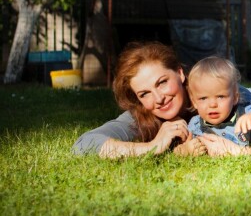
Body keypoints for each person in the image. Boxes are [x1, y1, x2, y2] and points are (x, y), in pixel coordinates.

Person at [72, 41, 200, 158]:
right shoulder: (140, 117)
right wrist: (153, 146)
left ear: (180, 73)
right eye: (144, 94)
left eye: (162, 83)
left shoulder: (209, 93)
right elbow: (84, 144)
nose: (159, 98)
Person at [179, 56, 251, 156]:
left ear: (235, 97)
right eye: (203, 98)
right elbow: (177, 149)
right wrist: (186, 149)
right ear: (194, 102)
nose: (212, 104)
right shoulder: (195, 125)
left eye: (220, 96)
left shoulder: (246, 115)